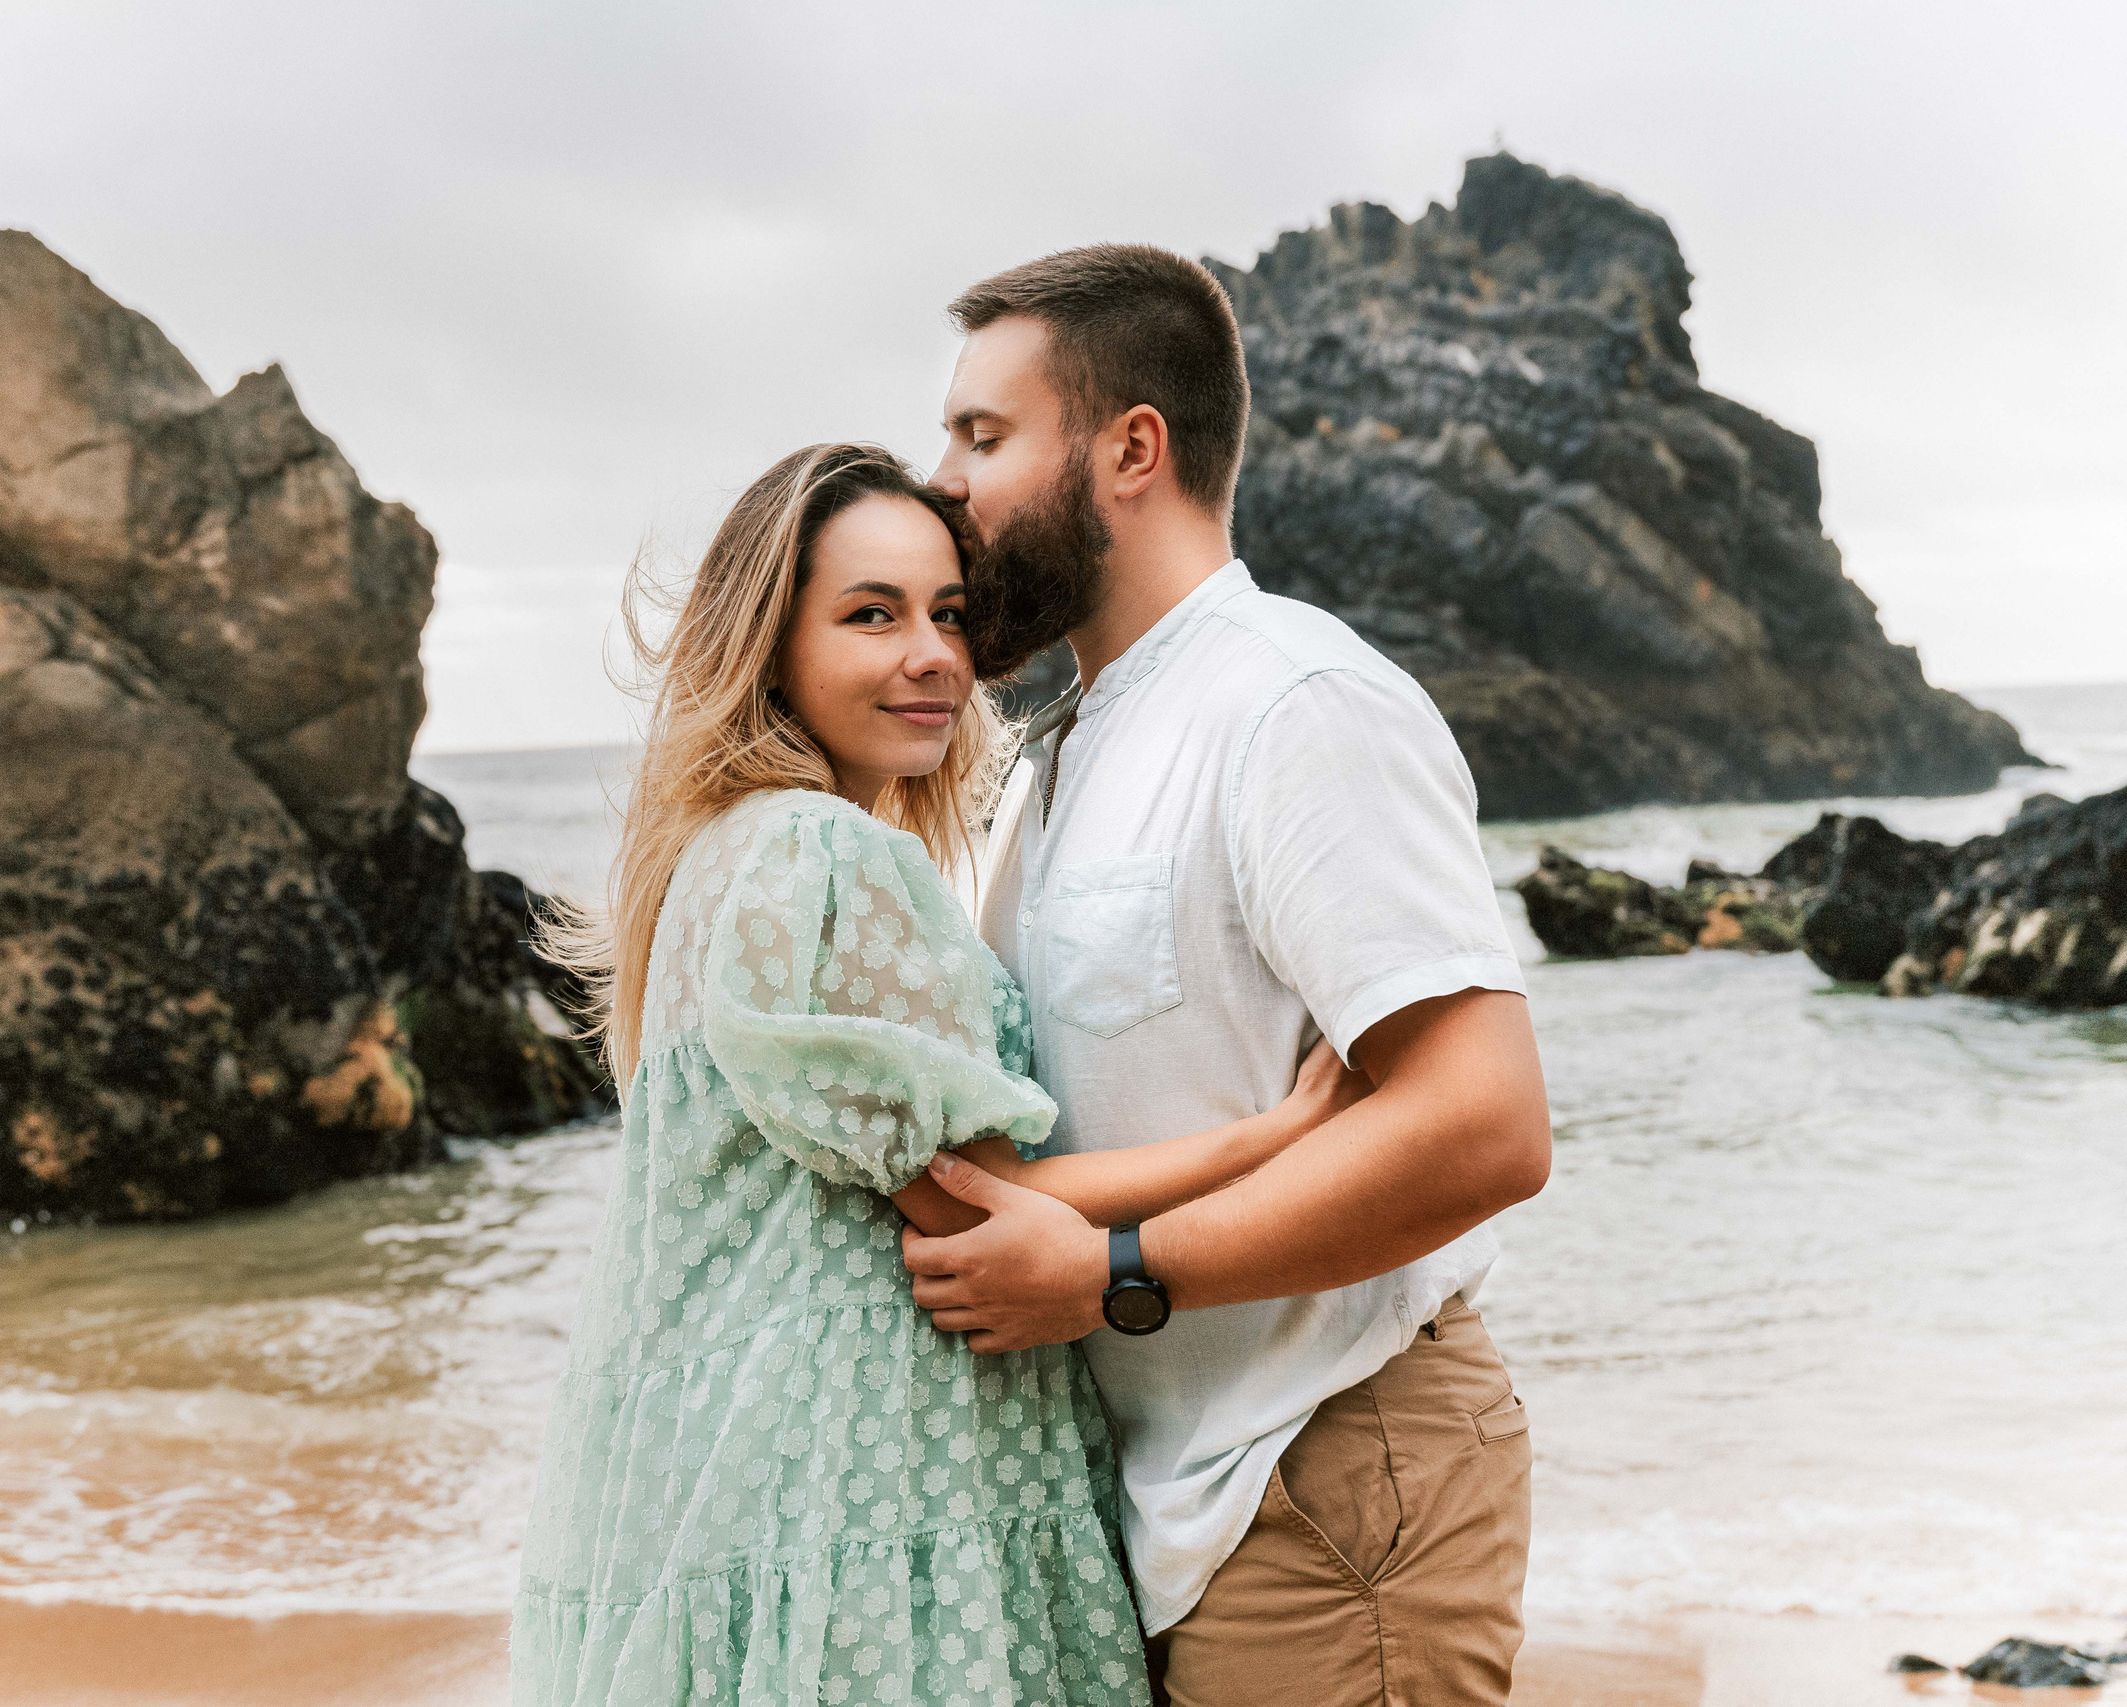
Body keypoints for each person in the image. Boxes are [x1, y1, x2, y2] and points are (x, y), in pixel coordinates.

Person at [512, 442, 1376, 1706]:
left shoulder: (709, 863)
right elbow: (979, 1200)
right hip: (886, 1464)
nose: (932, 655)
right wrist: (1275, 1136)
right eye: (872, 615)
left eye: (950, 615)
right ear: (769, 641)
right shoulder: (825, 852)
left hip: (725, 1461)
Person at [901, 246, 1554, 1707]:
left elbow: (1486, 1123)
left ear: (1130, 448)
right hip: (1158, 1507)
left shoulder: (1291, 701)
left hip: (1326, 1481)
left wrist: (1118, 1276)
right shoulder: (1051, 749)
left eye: (983, 436)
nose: (940, 480)